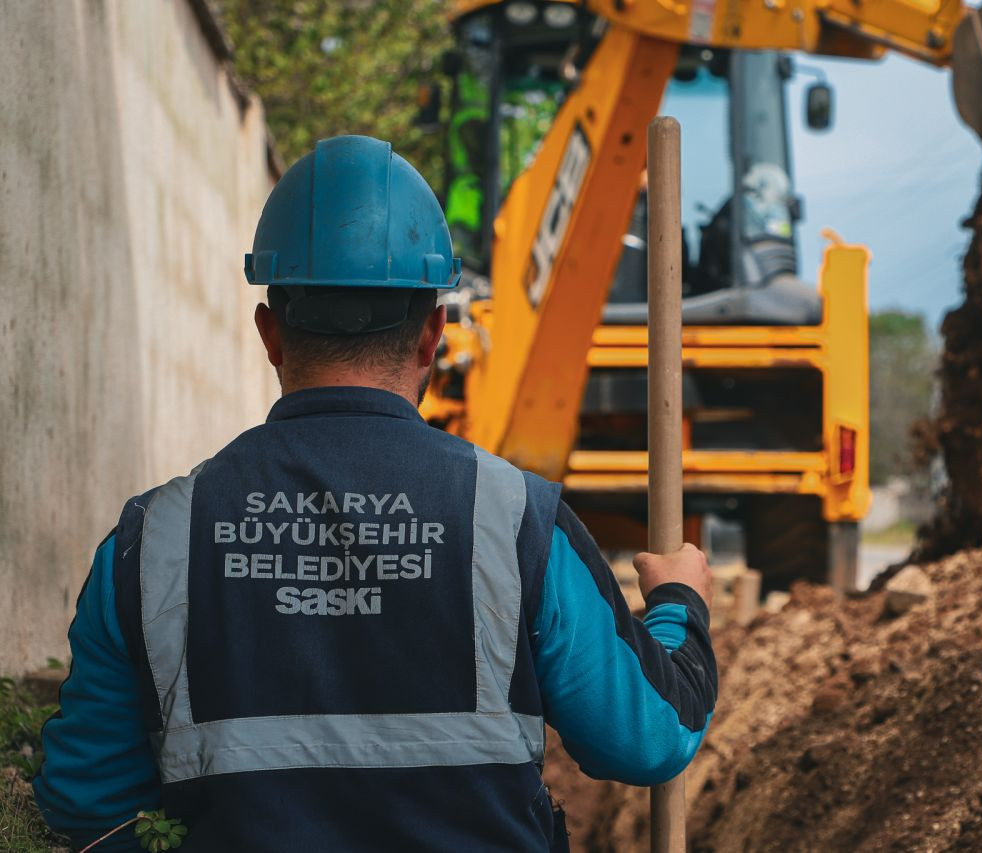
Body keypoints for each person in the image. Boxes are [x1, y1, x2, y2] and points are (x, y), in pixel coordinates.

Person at [34, 135, 717, 851]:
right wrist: (678, 602)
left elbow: (88, 803)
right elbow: (649, 738)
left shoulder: (153, 540)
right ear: (433, 334)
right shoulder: (516, 520)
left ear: (269, 333)